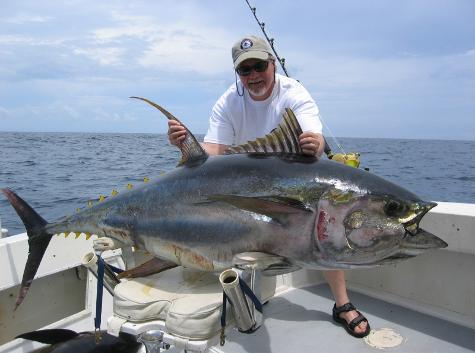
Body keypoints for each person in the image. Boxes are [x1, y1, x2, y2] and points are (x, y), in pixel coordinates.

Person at [167, 35, 370, 338]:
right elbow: (213, 153)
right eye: (244, 71)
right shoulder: (228, 101)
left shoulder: (294, 92)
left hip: (291, 181)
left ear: (272, 64)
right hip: (247, 185)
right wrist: (184, 144)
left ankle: (342, 303)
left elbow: (313, 144)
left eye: (259, 66)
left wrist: (316, 143)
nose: (253, 76)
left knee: (325, 223)